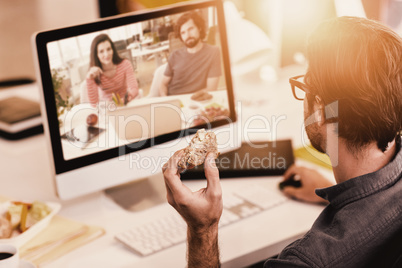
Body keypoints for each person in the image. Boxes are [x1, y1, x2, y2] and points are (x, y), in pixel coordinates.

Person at [162, 16, 402, 267]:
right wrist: (328, 193)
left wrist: (203, 229)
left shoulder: (305, 262)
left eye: (305, 84)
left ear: (321, 110)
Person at [159, 11, 222, 96]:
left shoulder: (213, 52)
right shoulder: (174, 55)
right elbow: (163, 84)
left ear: (199, 28)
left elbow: (211, 89)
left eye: (191, 29)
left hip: (197, 102)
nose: (187, 35)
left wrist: (189, 100)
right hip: (172, 100)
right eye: (183, 32)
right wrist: (165, 100)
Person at [86, 34, 139, 107]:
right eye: (101, 51)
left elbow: (134, 88)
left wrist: (127, 98)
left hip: (126, 104)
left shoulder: (125, 64)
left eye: (108, 49)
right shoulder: (95, 74)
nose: (106, 54)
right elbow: (94, 104)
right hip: (108, 108)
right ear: (96, 55)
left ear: (113, 50)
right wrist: (89, 78)